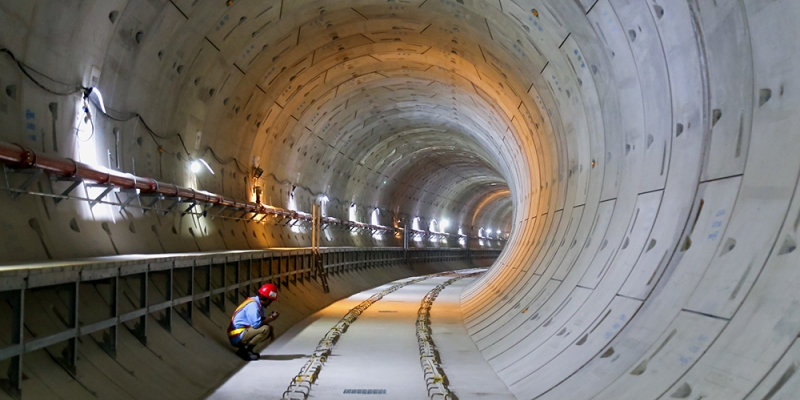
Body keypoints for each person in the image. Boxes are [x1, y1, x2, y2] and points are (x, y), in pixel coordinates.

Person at [227, 283, 280, 361]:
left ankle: (248, 350)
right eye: (271, 301)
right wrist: (271, 318)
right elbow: (256, 324)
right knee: (265, 329)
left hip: (241, 333)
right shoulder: (253, 305)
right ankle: (244, 351)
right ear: (267, 300)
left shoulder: (258, 304)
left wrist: (269, 321)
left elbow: (262, 320)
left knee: (268, 328)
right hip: (237, 336)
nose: (269, 304)